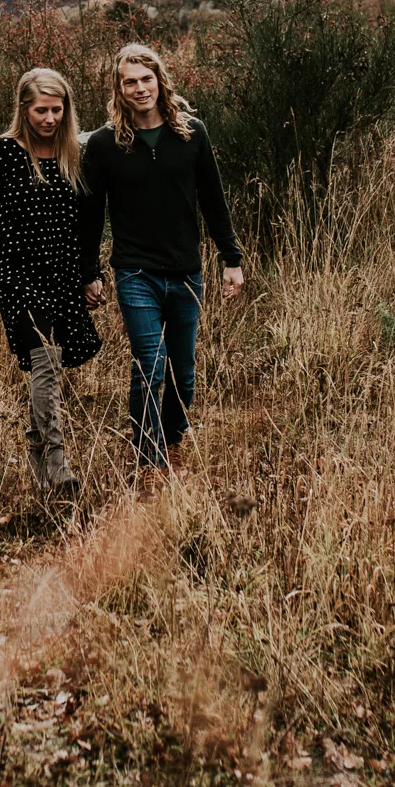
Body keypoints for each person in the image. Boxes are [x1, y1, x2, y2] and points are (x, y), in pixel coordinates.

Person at [77, 43, 243, 471]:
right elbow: (91, 213)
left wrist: (231, 259)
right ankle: (148, 459)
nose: (139, 88)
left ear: (160, 80)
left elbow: (214, 200)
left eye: (146, 79)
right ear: (119, 89)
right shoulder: (105, 144)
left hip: (186, 273)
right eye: (129, 82)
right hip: (135, 273)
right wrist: (89, 272)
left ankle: (171, 439)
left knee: (183, 375)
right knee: (149, 367)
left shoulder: (191, 134)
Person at [0, 67, 101, 491]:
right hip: (16, 274)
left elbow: (86, 223)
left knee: (51, 362)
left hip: (61, 273)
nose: (49, 118)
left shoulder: (72, 152)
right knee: (45, 357)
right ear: (24, 109)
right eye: (41, 110)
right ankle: (57, 461)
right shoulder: (4, 152)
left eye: (57, 109)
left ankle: (37, 452)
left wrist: (90, 275)